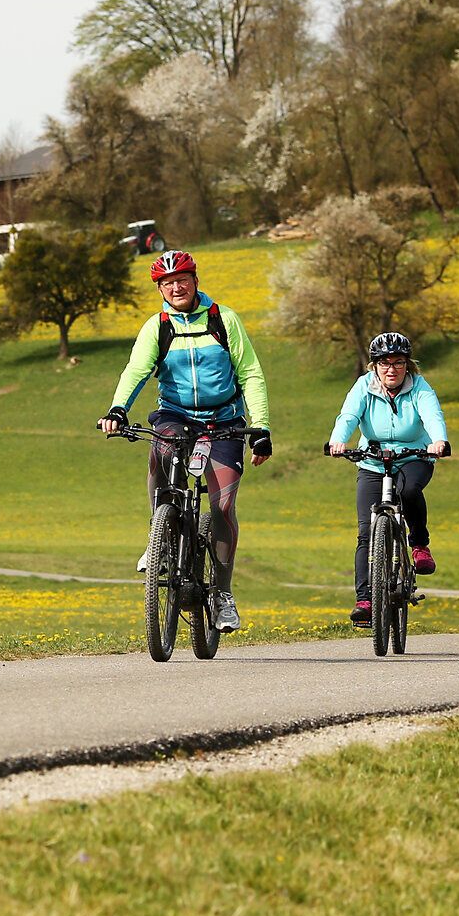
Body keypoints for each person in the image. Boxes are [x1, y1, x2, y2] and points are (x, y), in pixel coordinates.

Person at [97, 250, 272, 634]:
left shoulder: (223, 320)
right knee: (160, 448)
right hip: (176, 415)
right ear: (160, 288)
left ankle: (223, 595)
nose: (176, 287)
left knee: (223, 505)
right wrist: (117, 409)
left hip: (223, 420)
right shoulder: (157, 326)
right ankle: (158, 537)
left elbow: (251, 374)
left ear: (195, 281)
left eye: (183, 280)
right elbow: (136, 370)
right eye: (167, 283)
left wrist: (260, 427)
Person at [326, 331, 449, 625]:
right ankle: (365, 600)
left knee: (408, 493)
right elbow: (348, 416)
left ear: (408, 365)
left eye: (398, 362)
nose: (391, 369)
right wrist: (337, 441)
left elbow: (433, 416)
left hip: (413, 458)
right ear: (374, 366)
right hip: (372, 462)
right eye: (384, 363)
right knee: (366, 532)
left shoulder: (419, 387)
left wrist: (438, 442)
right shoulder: (363, 387)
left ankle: (419, 544)